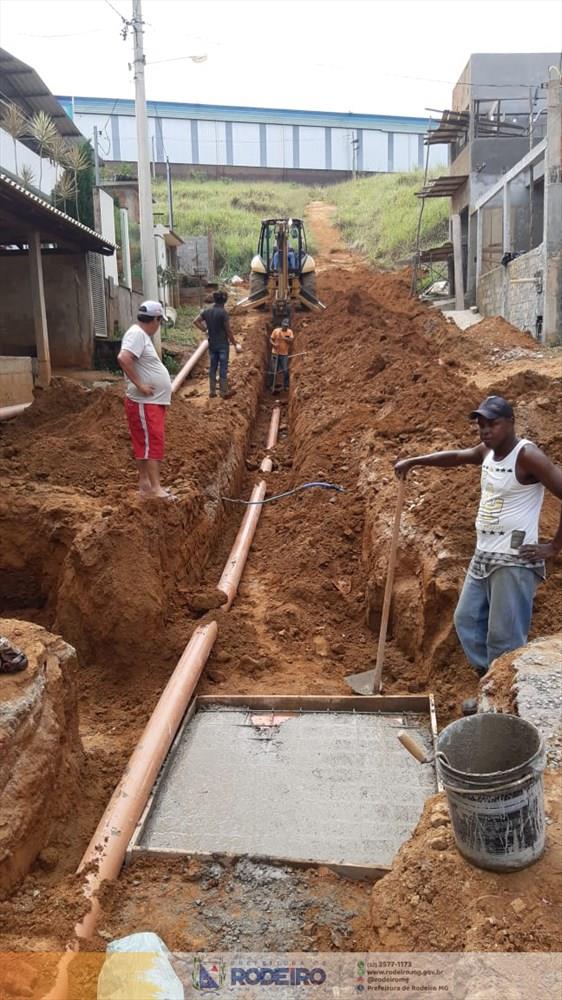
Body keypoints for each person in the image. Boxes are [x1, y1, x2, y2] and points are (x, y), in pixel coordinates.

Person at [394, 395, 562, 714]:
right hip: (483, 555)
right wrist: (415, 461)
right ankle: (491, 690)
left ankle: (503, 714)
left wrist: (553, 546)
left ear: (510, 423)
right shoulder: (487, 451)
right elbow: (457, 456)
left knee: (504, 638)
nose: (485, 430)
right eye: (480, 424)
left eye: (492, 423)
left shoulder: (526, 455)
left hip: (513, 561)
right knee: (467, 620)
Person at [117, 300, 173, 499]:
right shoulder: (137, 334)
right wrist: (140, 384)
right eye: (160, 321)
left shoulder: (140, 335)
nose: (159, 326)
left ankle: (146, 486)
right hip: (145, 403)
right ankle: (155, 489)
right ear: (155, 319)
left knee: (145, 443)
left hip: (150, 402)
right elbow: (124, 358)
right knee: (152, 444)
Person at [194, 290, 241, 399]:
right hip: (223, 345)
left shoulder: (207, 311)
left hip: (212, 343)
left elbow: (195, 321)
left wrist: (205, 329)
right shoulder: (223, 313)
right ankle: (224, 391)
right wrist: (234, 343)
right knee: (223, 367)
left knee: (213, 366)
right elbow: (228, 330)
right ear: (224, 301)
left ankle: (212, 391)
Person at [270, 318, 294, 391]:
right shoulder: (276, 331)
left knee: (285, 370)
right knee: (274, 370)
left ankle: (286, 386)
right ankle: (272, 385)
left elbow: (291, 341)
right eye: (284, 326)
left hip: (284, 354)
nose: (285, 327)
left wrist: (283, 338)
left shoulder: (289, 332)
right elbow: (271, 339)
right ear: (282, 325)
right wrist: (274, 344)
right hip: (275, 353)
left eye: (286, 326)